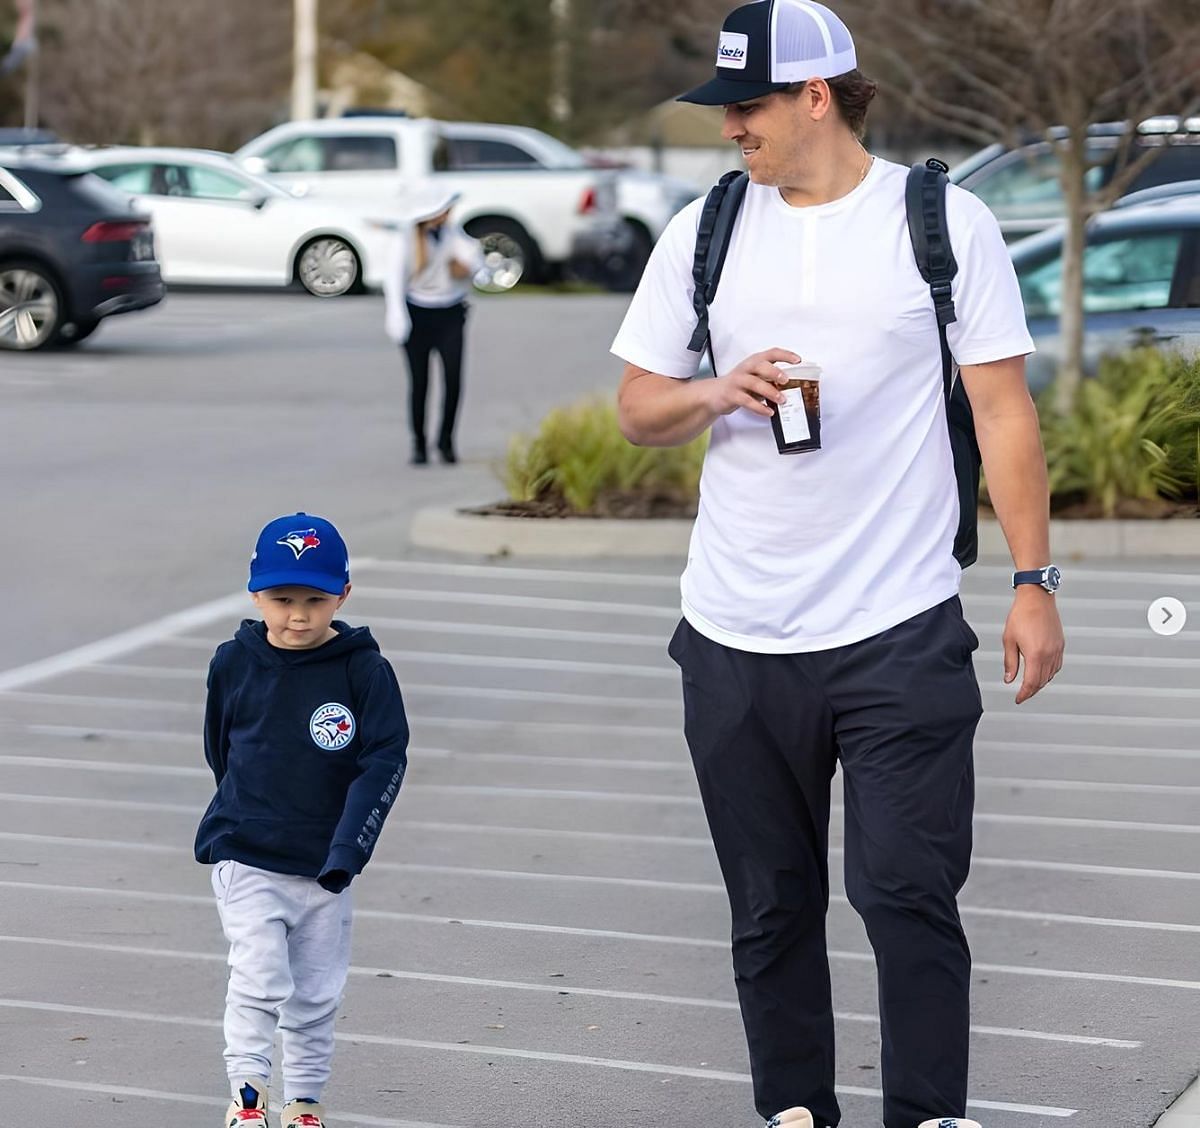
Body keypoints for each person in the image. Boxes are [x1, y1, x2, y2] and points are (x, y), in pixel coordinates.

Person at [611, 2, 1065, 1127]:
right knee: (769, 909)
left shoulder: (941, 225)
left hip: (898, 631)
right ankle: (792, 1111)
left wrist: (1032, 582)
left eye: (747, 106)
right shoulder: (705, 231)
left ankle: (929, 1114)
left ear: (818, 95)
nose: (730, 130)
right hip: (734, 634)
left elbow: (1002, 415)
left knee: (906, 893)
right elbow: (636, 407)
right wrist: (715, 389)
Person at [194, 512, 409, 1128]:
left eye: (315, 600)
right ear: (255, 594)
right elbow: (221, 747)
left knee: (315, 994)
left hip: (324, 867)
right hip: (247, 853)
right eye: (281, 598)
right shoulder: (233, 662)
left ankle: (305, 1102)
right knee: (258, 978)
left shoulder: (363, 671)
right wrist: (245, 807)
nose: (297, 615)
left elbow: (384, 759)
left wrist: (348, 848)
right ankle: (248, 1097)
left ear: (342, 595)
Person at [384, 186, 484, 465]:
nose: (448, 215)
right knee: (420, 383)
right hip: (418, 313)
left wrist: (470, 266)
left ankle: (446, 440)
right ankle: (418, 442)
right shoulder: (406, 239)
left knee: (453, 380)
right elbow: (393, 279)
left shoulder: (453, 234)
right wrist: (396, 314)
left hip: (450, 313)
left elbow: (476, 261)